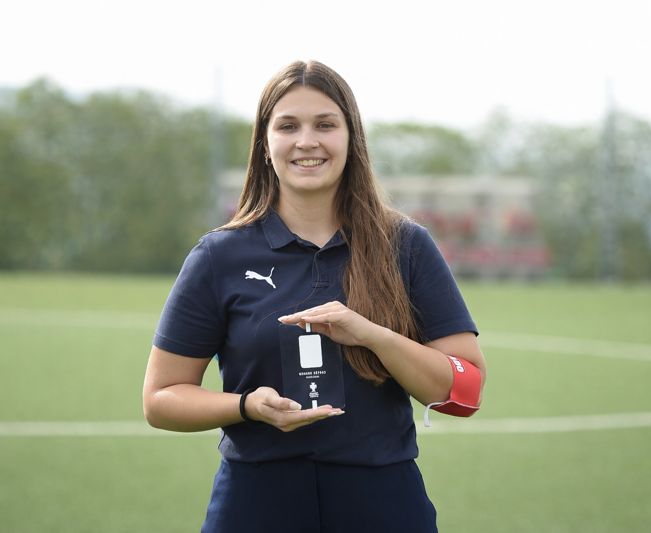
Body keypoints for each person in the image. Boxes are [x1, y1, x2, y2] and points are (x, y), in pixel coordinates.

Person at [143, 60, 486, 533]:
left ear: (352, 138)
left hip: (384, 500)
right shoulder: (218, 255)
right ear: (265, 145)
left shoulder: (405, 245)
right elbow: (160, 399)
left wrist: (374, 337)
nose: (307, 141)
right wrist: (246, 406)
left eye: (325, 124)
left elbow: (466, 389)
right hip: (256, 500)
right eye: (288, 126)